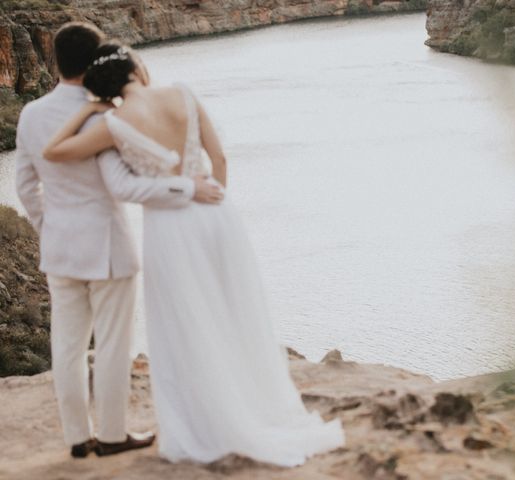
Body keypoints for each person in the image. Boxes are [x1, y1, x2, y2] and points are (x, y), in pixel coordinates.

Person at [42, 41, 345, 465]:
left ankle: (203, 423)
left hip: (168, 227)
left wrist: (86, 110)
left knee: (183, 325)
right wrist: (215, 204)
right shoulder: (183, 92)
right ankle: (253, 408)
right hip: (217, 215)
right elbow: (218, 158)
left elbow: (54, 151)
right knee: (232, 313)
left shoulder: (112, 123)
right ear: (136, 66)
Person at [15, 23, 224, 459]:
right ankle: (111, 435)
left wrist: (48, 226)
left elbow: (24, 185)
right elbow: (123, 185)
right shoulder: (106, 114)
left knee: (67, 349)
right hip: (108, 246)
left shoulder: (31, 114)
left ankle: (76, 438)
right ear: (94, 62)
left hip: (60, 248)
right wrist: (187, 189)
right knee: (112, 345)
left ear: (56, 61)